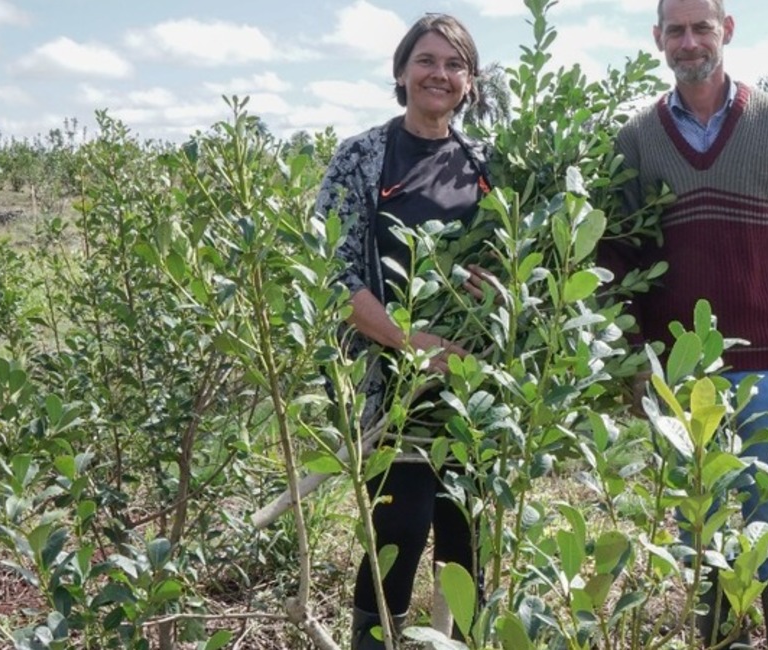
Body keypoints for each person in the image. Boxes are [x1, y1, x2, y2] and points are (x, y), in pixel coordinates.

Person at [599, 0, 768, 647]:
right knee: (697, 530)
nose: (689, 42)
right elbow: (616, 257)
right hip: (678, 375)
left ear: (726, 31)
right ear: (658, 39)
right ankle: (717, 639)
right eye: (675, 30)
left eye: (701, 27)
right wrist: (631, 357)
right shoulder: (636, 138)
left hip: (767, 369)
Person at [313, 13, 493, 650]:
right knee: (399, 530)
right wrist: (411, 345)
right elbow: (331, 271)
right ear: (400, 71)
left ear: (470, 82)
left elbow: (518, 261)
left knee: (466, 538)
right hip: (388, 389)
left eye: (454, 64)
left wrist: (497, 284)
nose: (439, 74)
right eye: (426, 60)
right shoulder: (362, 157)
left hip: (471, 392)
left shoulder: (487, 164)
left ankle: (462, 641)